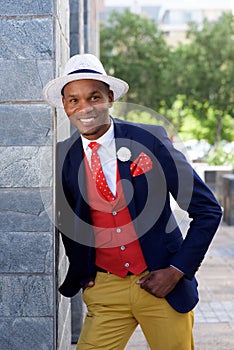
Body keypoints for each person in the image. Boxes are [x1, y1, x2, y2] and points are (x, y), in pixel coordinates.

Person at [43, 54, 222, 350]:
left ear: (110, 98)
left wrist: (177, 270)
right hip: (106, 290)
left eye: (94, 97)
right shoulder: (64, 154)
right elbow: (68, 218)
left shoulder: (149, 140)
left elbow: (207, 210)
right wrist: (84, 270)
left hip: (162, 284)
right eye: (73, 100)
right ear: (65, 106)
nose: (84, 108)